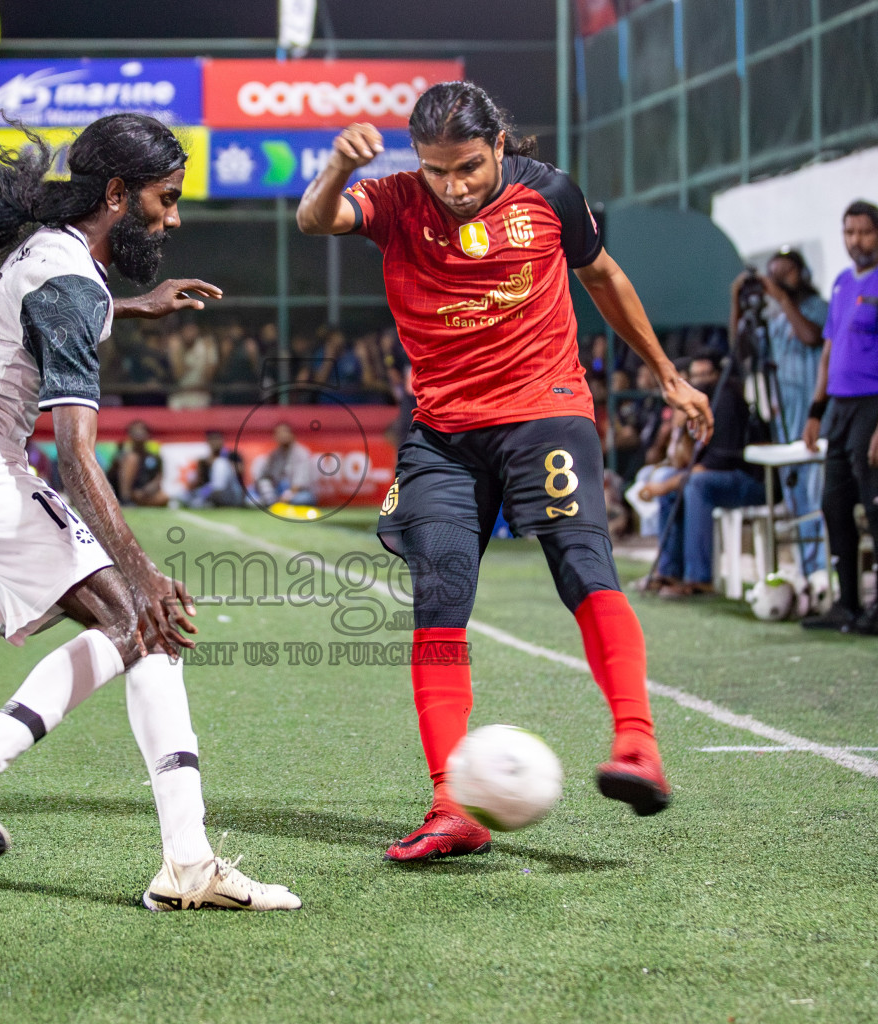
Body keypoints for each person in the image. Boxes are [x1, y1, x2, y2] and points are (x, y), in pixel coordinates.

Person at [0, 115, 298, 911]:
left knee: (147, 636)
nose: (173, 219)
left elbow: (31, 318)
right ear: (116, 193)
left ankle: (189, 864)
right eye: (164, 200)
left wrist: (134, 306)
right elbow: (75, 458)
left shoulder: (42, 258)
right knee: (137, 612)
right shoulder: (68, 283)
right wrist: (144, 571)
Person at [296, 82, 712, 860]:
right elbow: (318, 219)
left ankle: (636, 744)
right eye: (436, 171)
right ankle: (452, 805)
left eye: (468, 168)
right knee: (439, 597)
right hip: (443, 435)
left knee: (582, 564)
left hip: (544, 412)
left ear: (499, 147)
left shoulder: (549, 192)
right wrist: (331, 170)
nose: (452, 187)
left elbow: (604, 279)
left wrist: (666, 374)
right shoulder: (392, 199)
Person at [799, 201, 878, 637]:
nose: (857, 241)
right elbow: (828, 351)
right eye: (849, 232)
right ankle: (847, 604)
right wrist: (816, 411)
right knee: (834, 505)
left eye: (865, 232)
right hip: (841, 409)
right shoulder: (840, 284)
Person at [735, 249, 830, 575]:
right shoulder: (774, 321)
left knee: (817, 497)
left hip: (817, 420)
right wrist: (737, 301)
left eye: (785, 273)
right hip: (785, 423)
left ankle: (821, 570)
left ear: (802, 274)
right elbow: (742, 351)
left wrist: (782, 298)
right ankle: (807, 573)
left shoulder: (818, 309)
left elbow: (811, 336)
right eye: (773, 275)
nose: (778, 281)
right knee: (795, 499)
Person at [647, 356, 764, 598]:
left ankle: (699, 580)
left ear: (717, 375)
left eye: (705, 375)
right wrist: (680, 429)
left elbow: (719, 462)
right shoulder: (698, 402)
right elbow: (684, 461)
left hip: (750, 480)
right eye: (695, 376)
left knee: (694, 485)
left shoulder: (727, 400)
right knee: (676, 484)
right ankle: (669, 572)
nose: (699, 382)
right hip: (718, 479)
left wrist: (667, 484)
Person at [253, 421, 316, 506]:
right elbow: (266, 477)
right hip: (277, 492)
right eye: (279, 433)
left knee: (304, 499)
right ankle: (272, 503)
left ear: (292, 435)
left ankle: (275, 504)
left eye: (285, 432)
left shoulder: (301, 453)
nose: (282, 436)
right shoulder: (274, 455)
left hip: (297, 493)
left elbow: (300, 483)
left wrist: (287, 496)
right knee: (251, 498)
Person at [109, 419, 169, 507]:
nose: (139, 434)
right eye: (135, 431)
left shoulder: (154, 457)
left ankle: (137, 502)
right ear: (130, 435)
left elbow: (158, 477)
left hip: (143, 493)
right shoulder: (123, 454)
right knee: (132, 458)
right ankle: (126, 500)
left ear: (148, 435)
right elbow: (111, 476)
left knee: (164, 497)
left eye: (142, 431)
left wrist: (148, 489)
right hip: (124, 492)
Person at [189, 428, 246, 507]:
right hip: (210, 494)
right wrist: (202, 468)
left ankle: (214, 492)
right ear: (208, 442)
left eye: (217, 439)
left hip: (232, 493)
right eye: (212, 440)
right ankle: (206, 499)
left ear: (222, 440)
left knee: (220, 463)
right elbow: (198, 483)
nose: (215, 442)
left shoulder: (231, 455)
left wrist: (217, 462)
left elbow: (241, 470)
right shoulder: (203, 461)